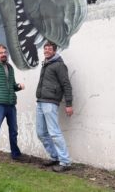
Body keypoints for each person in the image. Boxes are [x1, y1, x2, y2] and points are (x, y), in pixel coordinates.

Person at [36, 41, 73, 172]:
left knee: (54, 133)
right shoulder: (46, 64)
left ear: (54, 50)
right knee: (41, 133)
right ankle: (55, 157)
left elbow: (66, 84)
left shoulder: (59, 65)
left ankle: (65, 162)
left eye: (49, 49)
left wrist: (69, 104)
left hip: (50, 102)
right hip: (40, 101)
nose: (46, 51)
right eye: (45, 49)